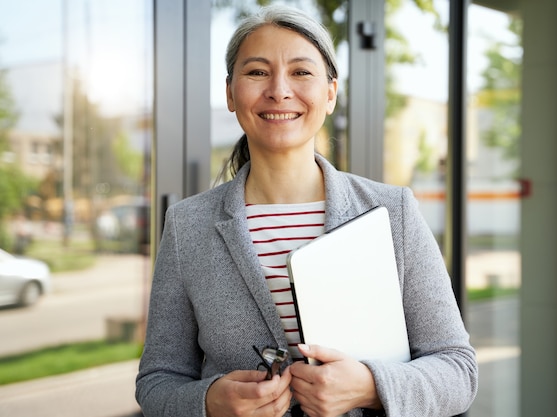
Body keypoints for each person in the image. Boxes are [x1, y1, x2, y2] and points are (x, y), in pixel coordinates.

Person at [136, 4, 478, 417]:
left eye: (301, 72)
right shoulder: (187, 225)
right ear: (230, 93)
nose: (279, 90)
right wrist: (208, 402)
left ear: (330, 93)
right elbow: (157, 382)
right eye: (257, 72)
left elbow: (458, 370)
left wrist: (371, 387)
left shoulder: (393, 212)